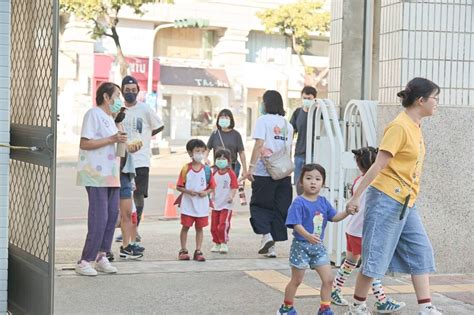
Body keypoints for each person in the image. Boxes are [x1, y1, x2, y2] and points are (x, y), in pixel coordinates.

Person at [345, 77, 441, 315]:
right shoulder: (399, 126)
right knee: (375, 255)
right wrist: (356, 196)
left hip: (406, 201)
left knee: (421, 251)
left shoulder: (415, 125)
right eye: (434, 98)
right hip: (386, 198)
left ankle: (426, 307)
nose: (437, 103)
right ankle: (357, 306)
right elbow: (378, 165)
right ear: (421, 100)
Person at [331, 147, 406, 313]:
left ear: (359, 165)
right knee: (370, 267)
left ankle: (335, 290)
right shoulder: (376, 182)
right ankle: (382, 300)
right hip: (363, 232)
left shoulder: (359, 181)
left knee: (350, 262)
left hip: (352, 229)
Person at [277, 164, 354, 315]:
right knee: (297, 280)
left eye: (318, 179)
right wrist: (307, 236)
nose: (313, 182)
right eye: (309, 178)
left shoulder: (323, 202)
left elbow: (335, 217)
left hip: (318, 247)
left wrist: (346, 212)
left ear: (323, 183)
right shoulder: (298, 202)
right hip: (301, 246)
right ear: (301, 181)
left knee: (328, 279)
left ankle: (325, 308)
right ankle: (286, 308)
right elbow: (295, 224)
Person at [75, 82, 127, 276]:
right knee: (100, 217)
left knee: (112, 216)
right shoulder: (93, 114)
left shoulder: (111, 118)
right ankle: (84, 260)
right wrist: (113, 139)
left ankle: (101, 255)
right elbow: (85, 143)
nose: (119, 100)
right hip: (95, 175)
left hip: (111, 174)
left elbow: (114, 144)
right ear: (106, 97)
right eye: (118, 95)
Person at [244, 90, 294, 258]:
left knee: (259, 205)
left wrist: (251, 167)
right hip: (283, 173)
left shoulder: (262, 121)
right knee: (279, 208)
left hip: (264, 172)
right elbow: (289, 150)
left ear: (266, 104)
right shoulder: (288, 125)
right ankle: (272, 247)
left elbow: (259, 144)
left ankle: (266, 236)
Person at [116, 75, 164, 242]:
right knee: (123, 196)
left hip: (141, 160)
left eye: (133, 90)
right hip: (122, 160)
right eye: (127, 90)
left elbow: (159, 126)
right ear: (122, 91)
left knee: (138, 196)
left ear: (138, 91)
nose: (130, 93)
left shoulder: (145, 109)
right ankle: (125, 228)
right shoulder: (118, 109)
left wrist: (145, 137)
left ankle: (134, 230)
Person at [175, 139, 216, 262]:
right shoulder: (185, 169)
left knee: (200, 228)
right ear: (190, 153)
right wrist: (188, 192)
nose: (200, 154)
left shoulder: (207, 170)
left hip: (201, 205)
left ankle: (198, 250)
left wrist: (206, 192)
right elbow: (178, 186)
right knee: (185, 227)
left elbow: (212, 187)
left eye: (202, 151)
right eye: (197, 151)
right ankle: (183, 250)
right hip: (188, 204)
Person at [210, 148, 238, 254]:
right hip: (216, 204)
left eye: (223, 158)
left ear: (228, 161)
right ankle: (216, 243)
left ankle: (224, 243)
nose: (221, 160)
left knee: (223, 225)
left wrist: (231, 196)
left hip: (226, 205)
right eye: (218, 158)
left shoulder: (231, 174)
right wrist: (211, 195)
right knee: (214, 226)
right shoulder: (215, 173)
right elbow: (212, 186)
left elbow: (234, 186)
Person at [290, 86, 317, 195]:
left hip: (314, 154)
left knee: (312, 183)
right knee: (299, 183)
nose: (306, 101)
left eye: (309, 98)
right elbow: (291, 132)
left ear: (314, 99)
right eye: (304, 98)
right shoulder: (297, 113)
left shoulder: (318, 113)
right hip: (299, 154)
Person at [206, 108, 247, 178]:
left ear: (231, 120)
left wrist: (245, 169)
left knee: (231, 187)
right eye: (222, 117)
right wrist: (205, 158)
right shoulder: (215, 134)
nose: (224, 119)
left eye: (226, 117)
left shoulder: (236, 135)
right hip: (218, 168)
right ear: (218, 119)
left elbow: (241, 153)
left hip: (232, 168)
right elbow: (207, 149)